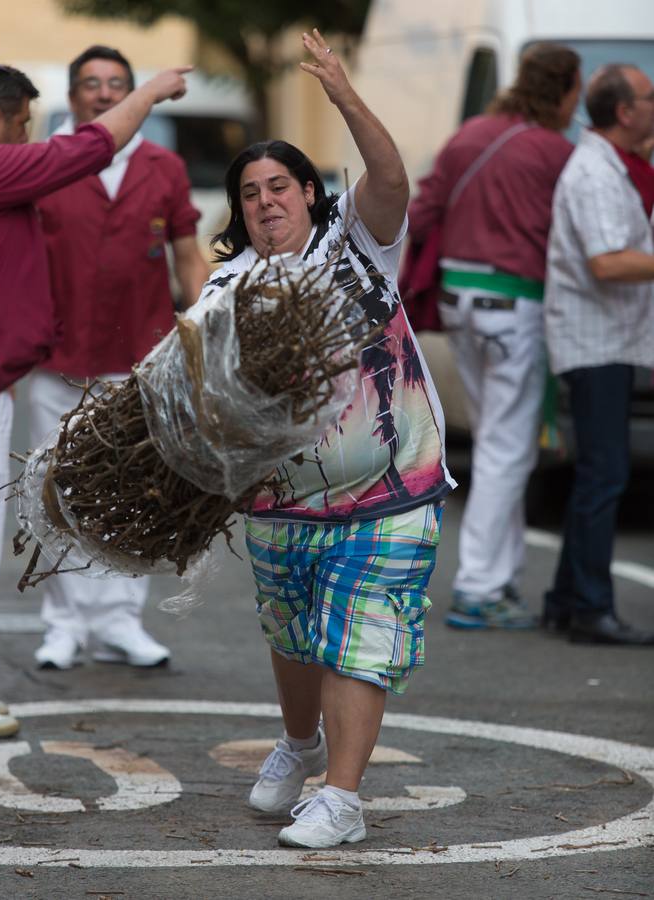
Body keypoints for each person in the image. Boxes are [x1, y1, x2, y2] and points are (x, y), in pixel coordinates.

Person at [198, 29, 454, 850]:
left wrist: (342, 91)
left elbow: (389, 177)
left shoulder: (361, 249)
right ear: (239, 212)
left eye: (281, 185)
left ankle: (341, 797)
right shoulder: (225, 286)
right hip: (281, 502)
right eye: (250, 192)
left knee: (363, 631)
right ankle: (300, 744)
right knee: (294, 632)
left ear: (311, 193)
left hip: (390, 487)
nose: (267, 200)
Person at [0, 57, 190, 740]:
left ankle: (111, 624)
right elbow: (89, 147)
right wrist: (151, 90)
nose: (26, 135)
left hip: (9, 380)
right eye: (22, 123)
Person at [28, 46, 209, 672]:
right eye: (90, 84)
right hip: (61, 359)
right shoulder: (49, 165)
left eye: (115, 84)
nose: (103, 94)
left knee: (139, 494)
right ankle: (64, 625)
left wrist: (206, 329)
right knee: (54, 492)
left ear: (133, 93)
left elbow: (188, 254)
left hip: (143, 362)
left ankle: (120, 623)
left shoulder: (164, 167)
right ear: (73, 98)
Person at [407, 43, 581, 629]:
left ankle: (499, 580)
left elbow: (423, 209)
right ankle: (479, 586)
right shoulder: (557, 152)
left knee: (496, 441)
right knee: (508, 449)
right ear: (563, 91)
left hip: (458, 300)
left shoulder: (470, 136)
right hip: (517, 305)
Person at [543, 65, 654, 645]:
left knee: (598, 474)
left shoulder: (619, 162)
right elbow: (607, 262)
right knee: (605, 474)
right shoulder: (592, 172)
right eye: (649, 96)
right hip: (595, 339)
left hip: (610, 335)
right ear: (625, 113)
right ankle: (590, 607)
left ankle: (566, 598)